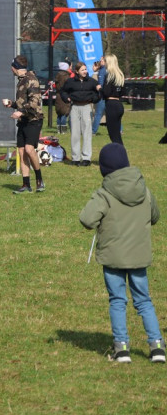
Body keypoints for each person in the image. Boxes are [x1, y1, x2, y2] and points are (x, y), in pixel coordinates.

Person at [79, 143, 164, 363]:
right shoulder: (143, 189)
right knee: (144, 300)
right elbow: (155, 216)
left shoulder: (104, 193)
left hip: (113, 256)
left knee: (118, 300)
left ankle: (122, 348)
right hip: (138, 255)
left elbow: (87, 219)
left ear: (104, 169)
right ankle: (157, 347)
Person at [3, 55, 46, 193]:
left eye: (12, 67)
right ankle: (26, 184)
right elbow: (22, 102)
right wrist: (12, 104)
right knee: (21, 152)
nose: (11, 69)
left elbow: (34, 102)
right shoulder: (21, 80)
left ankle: (39, 180)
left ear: (15, 67)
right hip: (24, 120)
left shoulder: (31, 79)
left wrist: (20, 112)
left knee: (29, 149)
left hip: (34, 119)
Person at [61, 61, 100, 166]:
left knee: (87, 132)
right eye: (82, 70)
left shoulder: (92, 81)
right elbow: (63, 91)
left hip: (87, 107)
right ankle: (75, 158)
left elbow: (98, 92)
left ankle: (86, 158)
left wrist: (94, 99)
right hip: (74, 107)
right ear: (77, 71)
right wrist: (66, 98)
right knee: (75, 133)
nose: (85, 71)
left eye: (86, 69)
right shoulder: (70, 82)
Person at [101, 54, 126, 145]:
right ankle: (120, 153)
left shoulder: (109, 76)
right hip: (119, 105)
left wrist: (100, 89)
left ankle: (120, 154)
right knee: (117, 134)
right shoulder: (120, 75)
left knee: (113, 135)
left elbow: (106, 92)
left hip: (111, 105)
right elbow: (123, 92)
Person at [54, 62, 72, 134]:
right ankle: (63, 130)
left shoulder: (57, 75)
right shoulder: (66, 76)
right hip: (65, 95)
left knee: (59, 113)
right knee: (65, 113)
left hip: (58, 95)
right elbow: (68, 86)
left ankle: (59, 130)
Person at [91, 56, 107, 135]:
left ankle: (93, 131)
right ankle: (119, 129)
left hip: (102, 96)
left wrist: (100, 91)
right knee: (111, 113)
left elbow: (100, 84)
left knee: (98, 114)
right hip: (107, 95)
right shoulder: (107, 70)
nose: (100, 62)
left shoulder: (101, 71)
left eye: (102, 60)